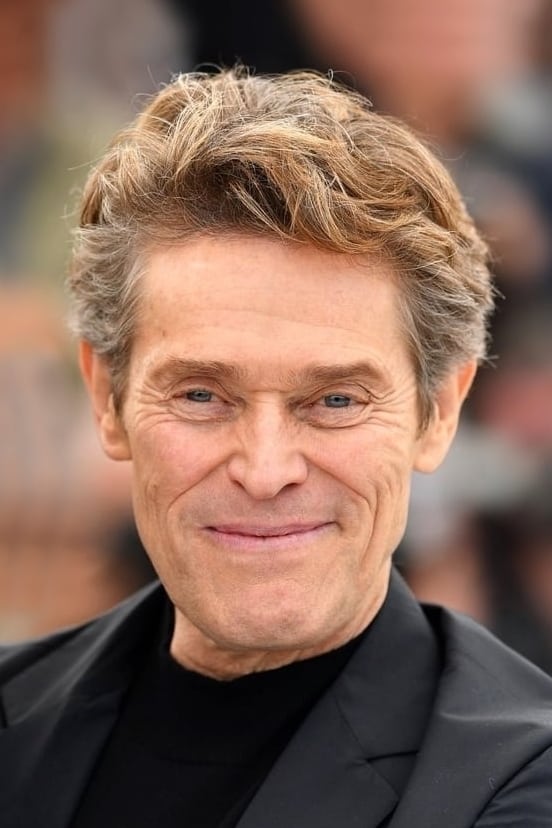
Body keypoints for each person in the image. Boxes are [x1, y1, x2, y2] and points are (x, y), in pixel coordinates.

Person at [1, 68, 552, 828]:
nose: (265, 471)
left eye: (335, 402)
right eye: (201, 396)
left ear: (439, 412)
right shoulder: (15, 721)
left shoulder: (521, 785)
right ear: (107, 397)